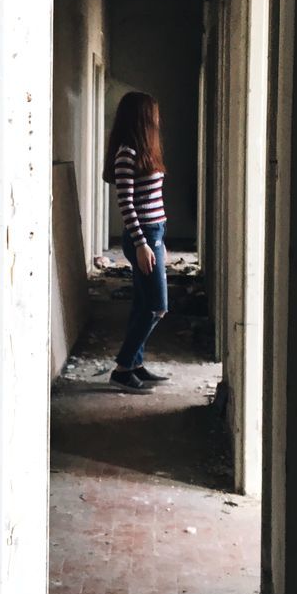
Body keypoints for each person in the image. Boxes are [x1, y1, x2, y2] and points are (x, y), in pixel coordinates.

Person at [102, 91, 169, 392]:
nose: (157, 119)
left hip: (156, 232)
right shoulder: (126, 154)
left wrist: (158, 240)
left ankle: (136, 365)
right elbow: (126, 205)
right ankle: (123, 367)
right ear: (142, 117)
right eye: (153, 113)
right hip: (142, 234)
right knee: (157, 305)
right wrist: (142, 243)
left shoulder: (144, 152)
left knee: (143, 303)